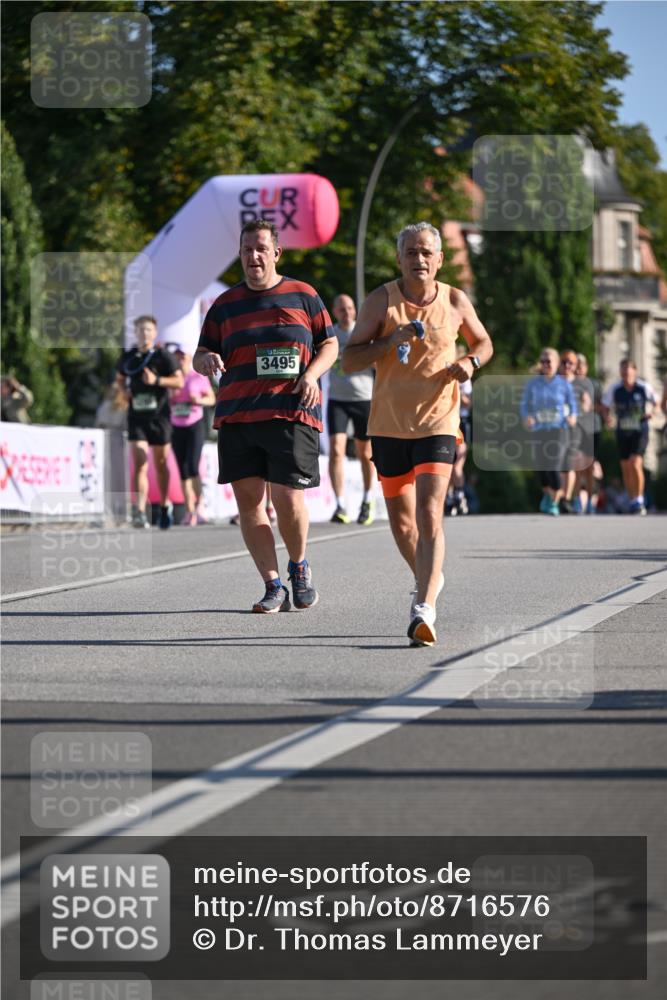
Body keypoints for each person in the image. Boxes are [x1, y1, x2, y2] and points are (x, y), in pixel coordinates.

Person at [342, 221, 493, 647]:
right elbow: (349, 362)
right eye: (411, 252)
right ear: (399, 259)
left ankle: (423, 608)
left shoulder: (455, 300)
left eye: (427, 252)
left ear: (440, 260)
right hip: (388, 426)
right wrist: (389, 341)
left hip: (438, 423)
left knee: (429, 512)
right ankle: (430, 576)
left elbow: (484, 343)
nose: (419, 259)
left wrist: (470, 363)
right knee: (403, 524)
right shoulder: (381, 301)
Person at [194, 218, 338, 613]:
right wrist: (206, 359)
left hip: (291, 412)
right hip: (238, 416)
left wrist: (311, 374)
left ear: (276, 253)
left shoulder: (303, 295)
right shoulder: (225, 304)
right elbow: (200, 354)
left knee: (288, 499)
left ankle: (299, 565)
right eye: (247, 250)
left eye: (260, 249)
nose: (253, 256)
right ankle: (272, 584)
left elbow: (329, 344)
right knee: (250, 505)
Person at [116, 315, 184, 529]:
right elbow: (119, 378)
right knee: (139, 462)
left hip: (159, 417)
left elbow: (179, 381)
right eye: (140, 330)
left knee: (161, 464)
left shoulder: (163, 356)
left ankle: (164, 505)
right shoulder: (129, 357)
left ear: (154, 333)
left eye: (148, 330)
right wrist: (124, 391)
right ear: (135, 333)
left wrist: (157, 380)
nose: (144, 333)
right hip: (137, 417)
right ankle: (139, 511)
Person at [327, 293, 376, 525]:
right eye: (341, 309)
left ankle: (367, 499)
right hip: (337, 399)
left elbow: (378, 362)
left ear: (355, 310)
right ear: (334, 312)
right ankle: (339, 504)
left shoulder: (363, 333)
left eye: (349, 308)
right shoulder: (330, 334)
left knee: (364, 453)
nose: (346, 312)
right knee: (336, 451)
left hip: (363, 398)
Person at [520, 347, 577, 517]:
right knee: (541, 468)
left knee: (553, 466)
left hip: (559, 429)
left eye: (549, 361)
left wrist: (573, 416)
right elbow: (524, 404)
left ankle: (554, 501)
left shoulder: (564, 384)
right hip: (540, 429)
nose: (545, 364)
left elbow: (573, 405)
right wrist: (527, 417)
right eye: (543, 361)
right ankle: (547, 494)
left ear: (557, 363)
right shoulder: (533, 384)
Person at [601, 359, 656, 515]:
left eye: (628, 369)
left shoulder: (643, 387)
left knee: (636, 463)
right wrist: (607, 418)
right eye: (623, 369)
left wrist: (652, 412)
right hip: (622, 432)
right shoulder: (615, 389)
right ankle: (632, 500)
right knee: (626, 467)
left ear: (634, 371)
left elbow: (657, 402)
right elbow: (605, 407)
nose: (625, 373)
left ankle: (639, 499)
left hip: (640, 431)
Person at [169, 348, 216, 525]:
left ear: (189, 358)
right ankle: (189, 511)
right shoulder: (172, 379)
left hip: (194, 424)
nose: (179, 360)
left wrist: (198, 400)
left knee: (192, 465)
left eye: (182, 357)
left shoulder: (198, 377)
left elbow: (212, 399)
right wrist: (170, 396)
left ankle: (200, 505)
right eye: (177, 357)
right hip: (176, 426)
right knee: (182, 469)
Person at [557, 349, 587, 514]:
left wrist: (578, 412)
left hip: (574, 429)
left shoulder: (580, 384)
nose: (567, 365)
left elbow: (586, 406)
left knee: (569, 465)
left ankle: (566, 499)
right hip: (555, 429)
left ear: (575, 366)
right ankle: (556, 496)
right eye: (564, 362)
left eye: (571, 363)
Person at [574, 353, 603, 513]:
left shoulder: (595, 384)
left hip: (593, 429)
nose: (578, 369)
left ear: (586, 367)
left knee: (589, 467)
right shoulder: (569, 384)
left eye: (581, 366)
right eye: (576, 366)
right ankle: (577, 499)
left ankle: (591, 501)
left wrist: (589, 406)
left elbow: (603, 407)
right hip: (575, 429)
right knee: (577, 465)